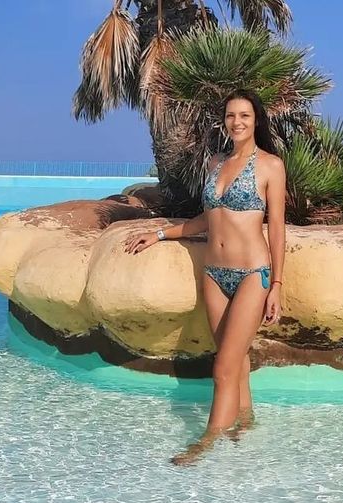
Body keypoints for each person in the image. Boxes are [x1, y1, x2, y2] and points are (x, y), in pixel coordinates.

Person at [123, 89, 287, 465]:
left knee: (223, 366)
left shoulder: (270, 166)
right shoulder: (216, 162)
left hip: (252, 274)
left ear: (256, 120)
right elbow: (206, 220)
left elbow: (277, 228)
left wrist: (276, 285)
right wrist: (160, 234)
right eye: (230, 115)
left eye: (244, 115)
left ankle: (207, 440)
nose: (237, 122)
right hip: (214, 274)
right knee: (234, 357)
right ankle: (244, 421)